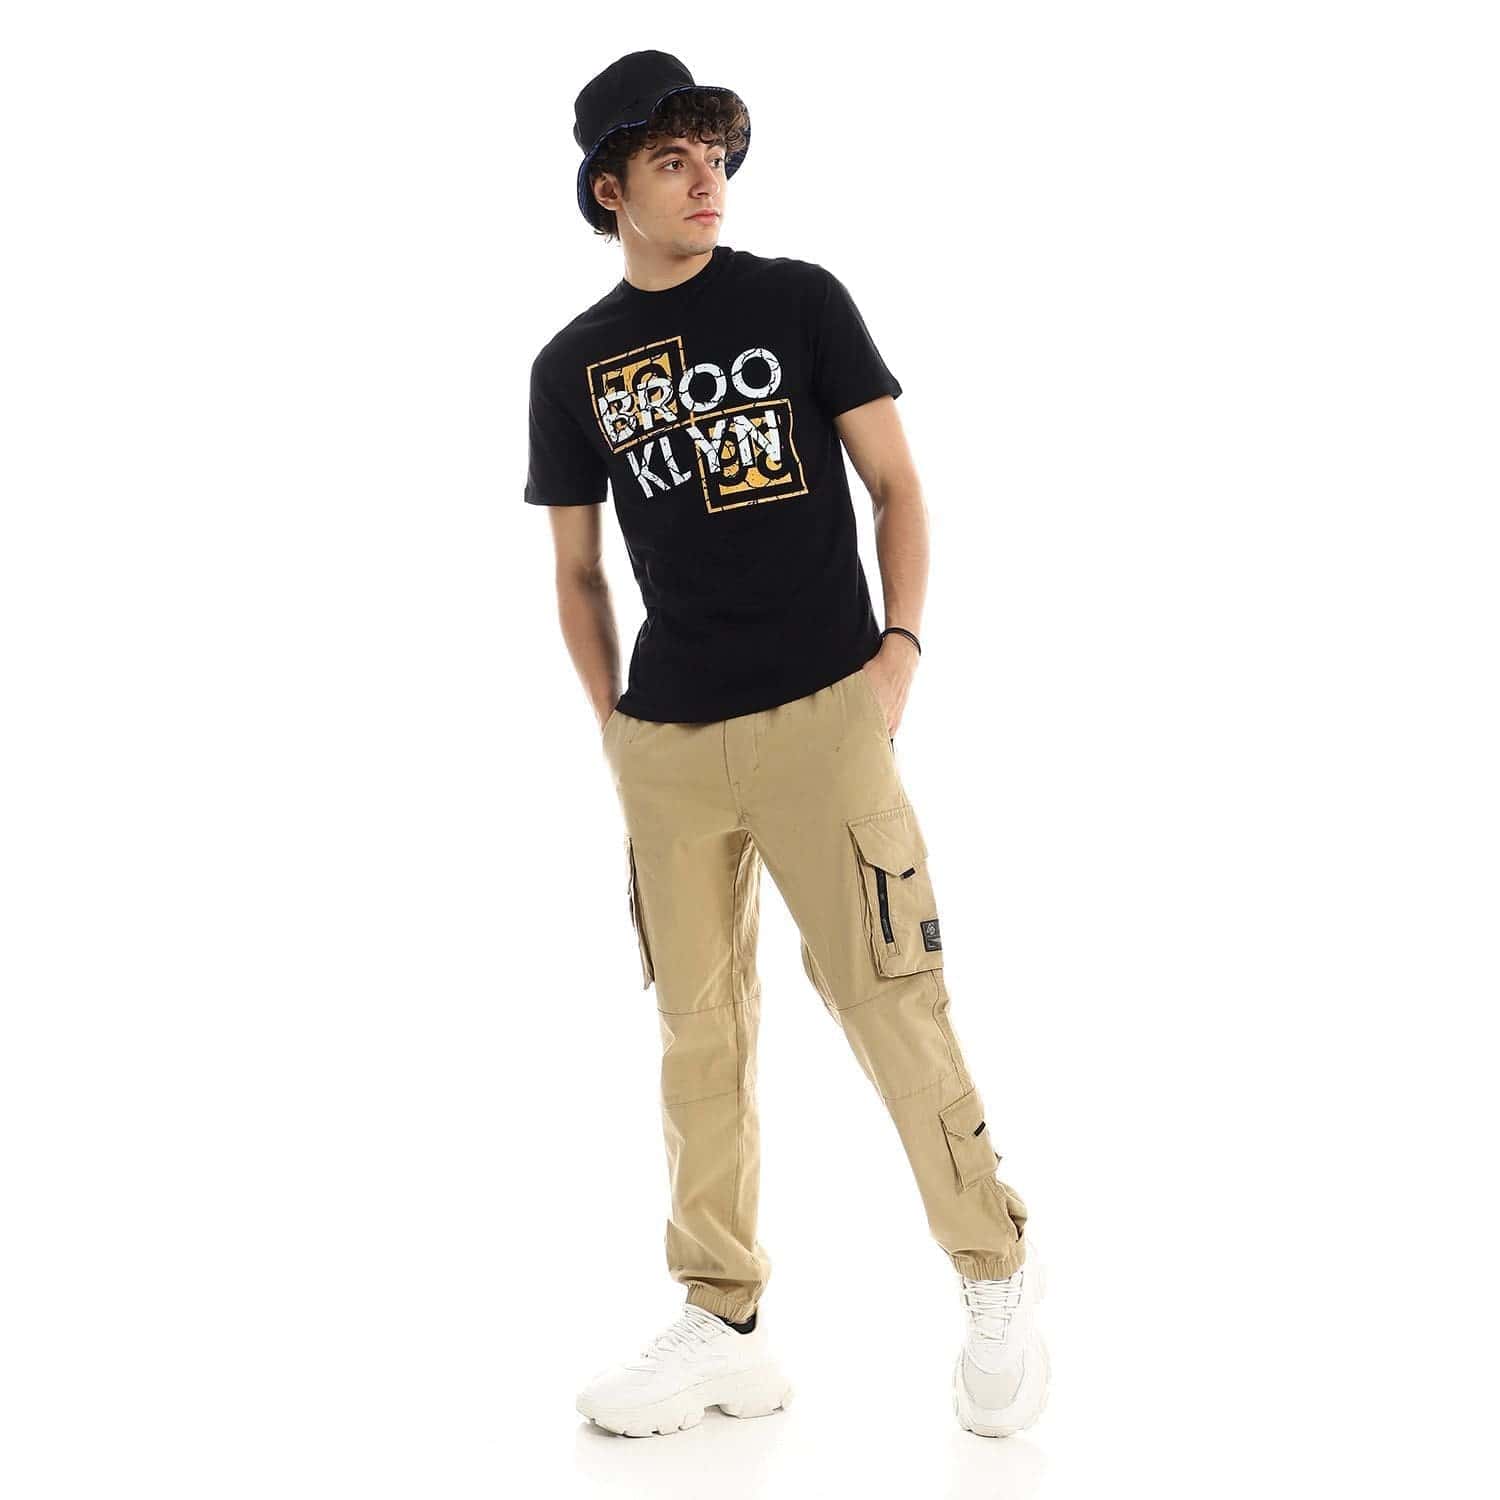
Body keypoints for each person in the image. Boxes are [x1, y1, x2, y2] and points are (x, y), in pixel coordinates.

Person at [523, 49, 1049, 1439]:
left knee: (891, 1001)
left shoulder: (800, 300)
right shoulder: (570, 367)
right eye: (673, 160)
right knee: (698, 1037)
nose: (707, 182)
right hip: (668, 743)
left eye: (717, 157)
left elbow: (898, 485)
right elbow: (576, 574)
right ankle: (723, 1320)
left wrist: (900, 653)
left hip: (827, 714)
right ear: (610, 187)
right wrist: (616, 732)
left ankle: (994, 1270)